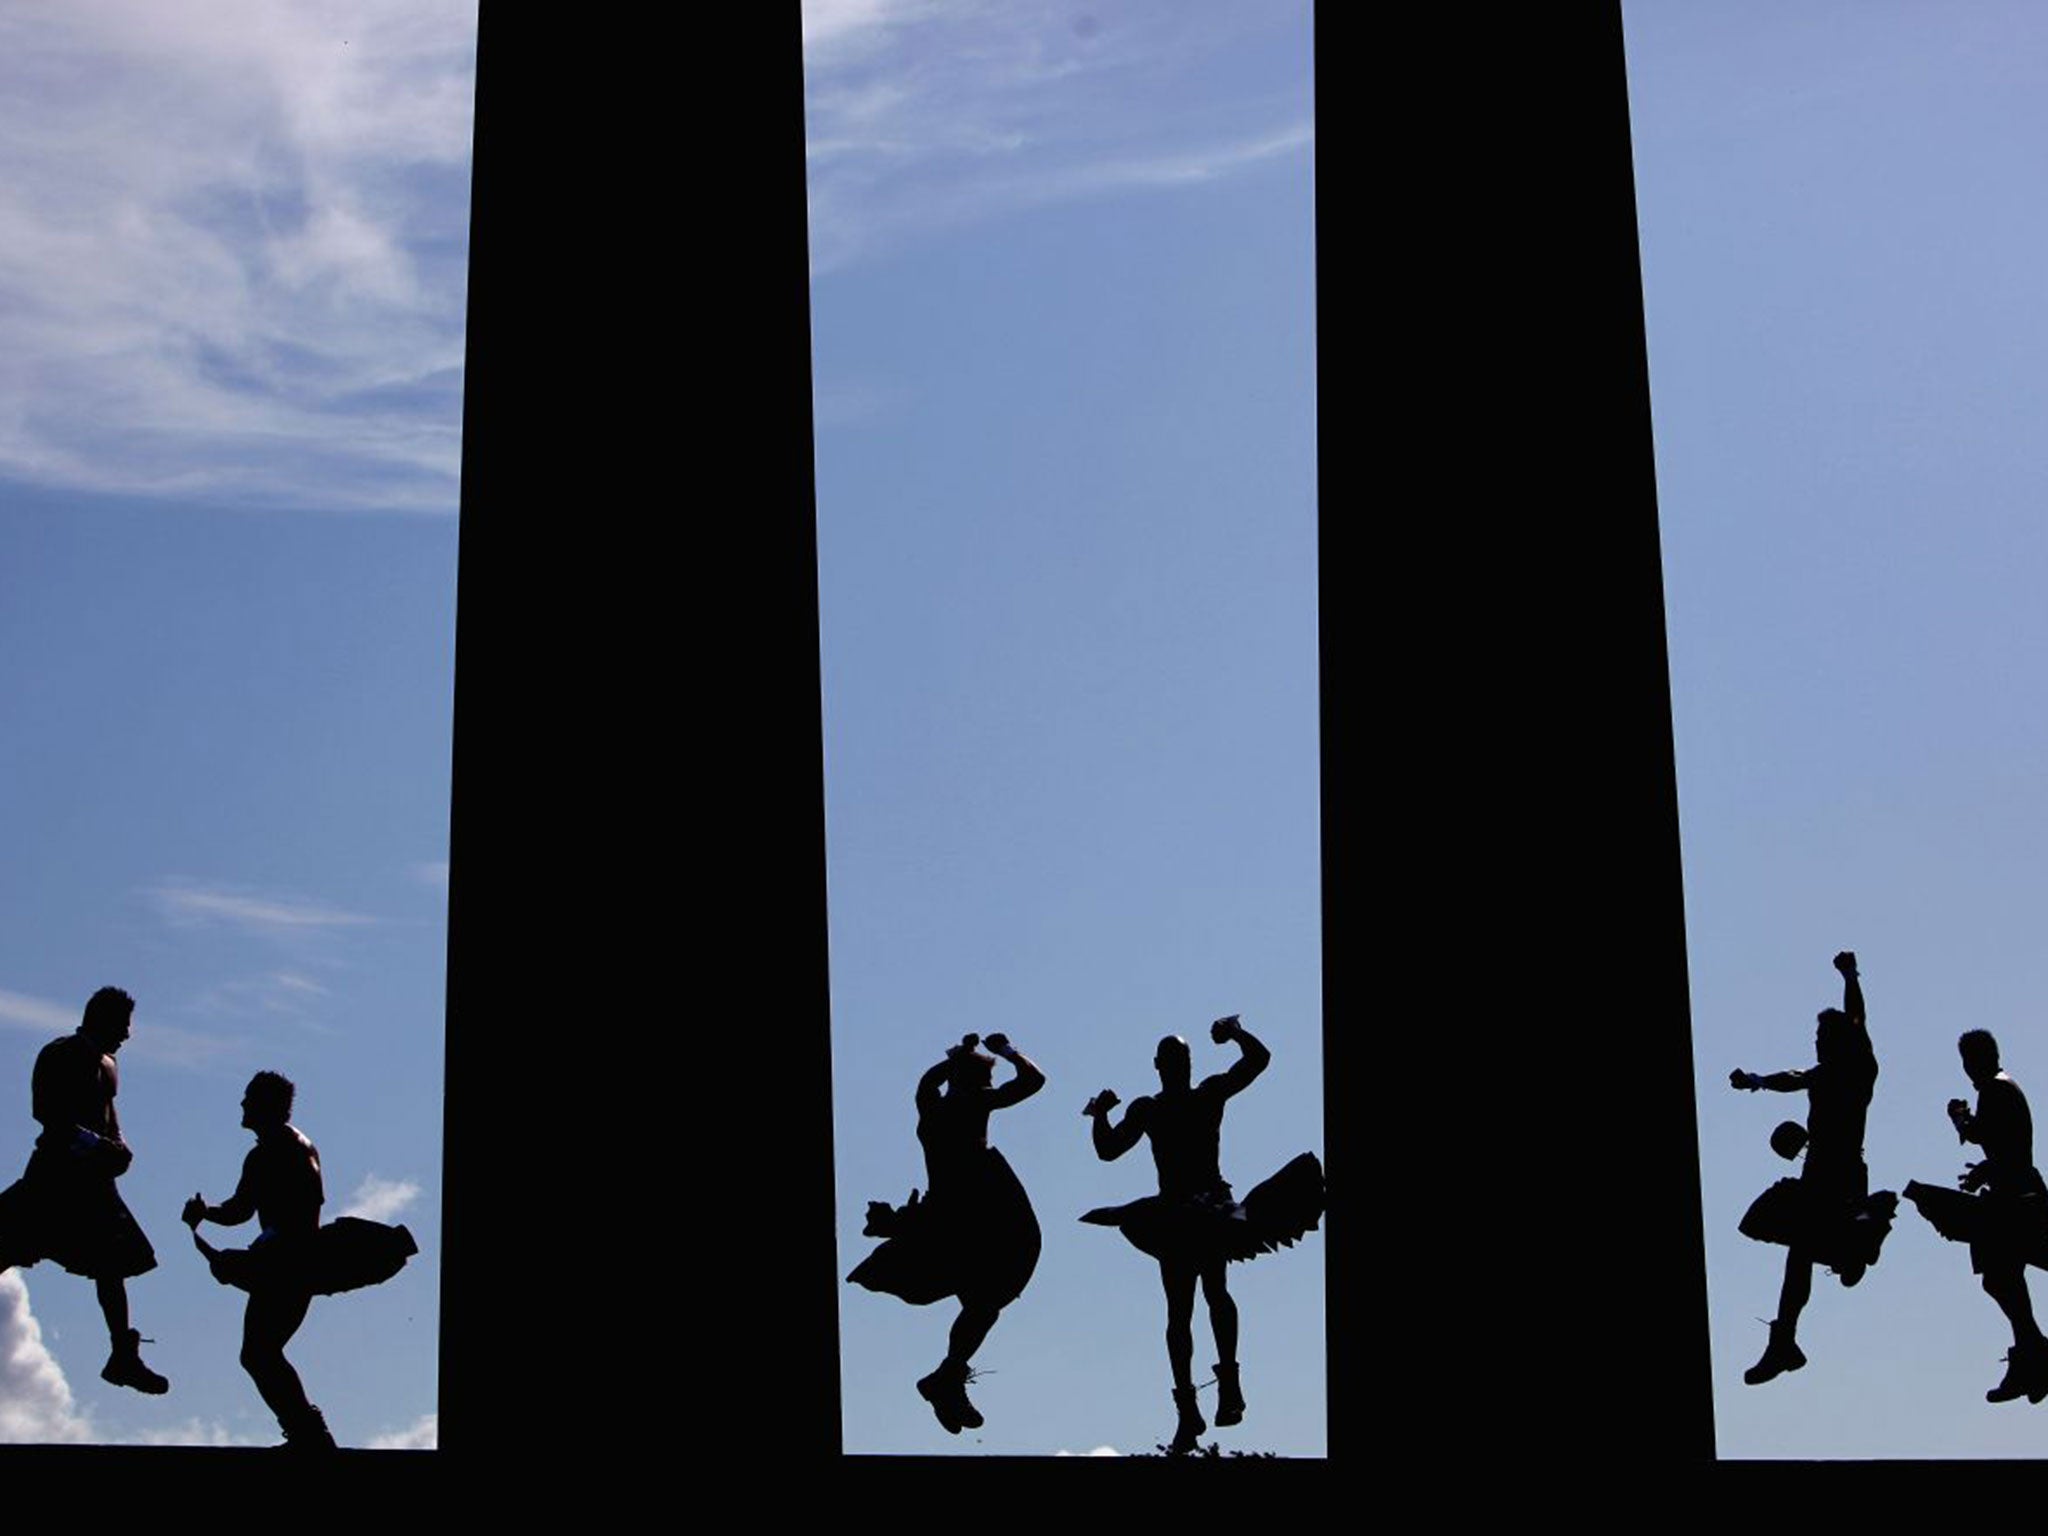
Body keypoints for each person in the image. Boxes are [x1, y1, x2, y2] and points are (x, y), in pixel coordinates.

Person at [1082, 1015, 1323, 1454]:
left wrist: (1235, 1033)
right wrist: (1100, 1115)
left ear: (1182, 1063)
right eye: (1174, 1059)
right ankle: (1196, 1405)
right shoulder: (1158, 1107)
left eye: (1182, 1058)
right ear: (1159, 1065)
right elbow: (1107, 1150)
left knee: (1203, 1298)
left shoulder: (1191, 1098)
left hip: (1205, 1210)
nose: (1178, 1065)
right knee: (1189, 1305)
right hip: (1180, 1213)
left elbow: (1258, 1060)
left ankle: (1220, 1393)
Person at [847, 1032, 1045, 1434]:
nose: (991, 1090)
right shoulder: (971, 1102)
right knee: (987, 1297)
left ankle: (949, 1377)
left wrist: (955, 1060)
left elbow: (924, 1085)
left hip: (959, 1212)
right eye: (986, 1083)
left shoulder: (930, 1109)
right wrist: (1004, 1051)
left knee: (983, 1300)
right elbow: (1033, 1081)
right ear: (974, 1084)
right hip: (979, 1212)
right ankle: (948, 1376)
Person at [1730, 950, 1894, 1385]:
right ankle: (1786, 1339)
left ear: (1841, 1042)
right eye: (1816, 1038)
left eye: (1824, 1038)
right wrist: (1758, 1081)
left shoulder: (1859, 1071)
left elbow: (1857, 1020)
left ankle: (1857, 1241)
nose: (1818, 1044)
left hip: (1842, 1177)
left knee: (1802, 1250)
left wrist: (1849, 976)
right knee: (1794, 1249)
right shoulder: (1819, 1075)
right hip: (1815, 1176)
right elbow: (1792, 1076)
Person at [0, 986, 168, 1394]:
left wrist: (119, 1146)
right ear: (101, 1019)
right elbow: (47, 1115)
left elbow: (109, 1118)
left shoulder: (109, 1064)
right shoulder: (60, 1054)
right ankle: (123, 1355)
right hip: (53, 1179)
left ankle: (123, 1356)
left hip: (93, 1185)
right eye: (122, 1026)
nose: (127, 1035)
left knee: (113, 1265)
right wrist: (94, 1145)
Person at [182, 1071, 335, 1449]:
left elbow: (306, 1210)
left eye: (249, 1098)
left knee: (259, 1352)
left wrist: (270, 1250)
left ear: (268, 1106)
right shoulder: (261, 1153)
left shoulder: (295, 1149)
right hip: (277, 1266)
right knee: (258, 1353)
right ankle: (306, 1432)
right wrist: (206, 1213)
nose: (242, 1105)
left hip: (292, 1268)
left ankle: (309, 1434)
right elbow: (241, 1209)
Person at [1902, 1030, 2048, 1404]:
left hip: (2016, 1198)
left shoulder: (1996, 1090)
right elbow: (2004, 1145)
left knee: (2001, 1276)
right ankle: (2031, 1352)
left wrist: (1960, 1117)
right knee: (2001, 1278)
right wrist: (1985, 1170)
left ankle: (2032, 1351)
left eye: (1969, 1060)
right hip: (2013, 1191)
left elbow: (1987, 1137)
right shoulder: (2000, 1088)